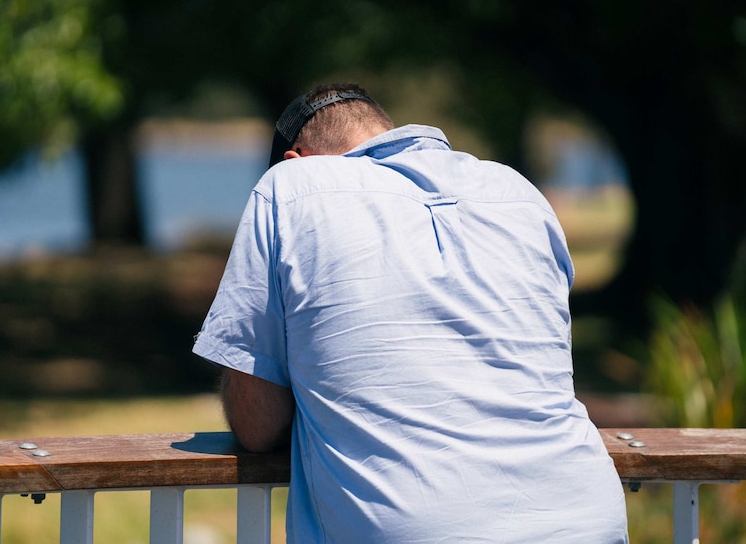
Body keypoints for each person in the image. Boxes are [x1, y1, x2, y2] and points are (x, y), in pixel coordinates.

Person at [193, 82, 629, 543]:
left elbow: (258, 424)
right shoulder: (515, 190)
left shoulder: (291, 187)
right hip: (584, 517)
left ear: (295, 161)